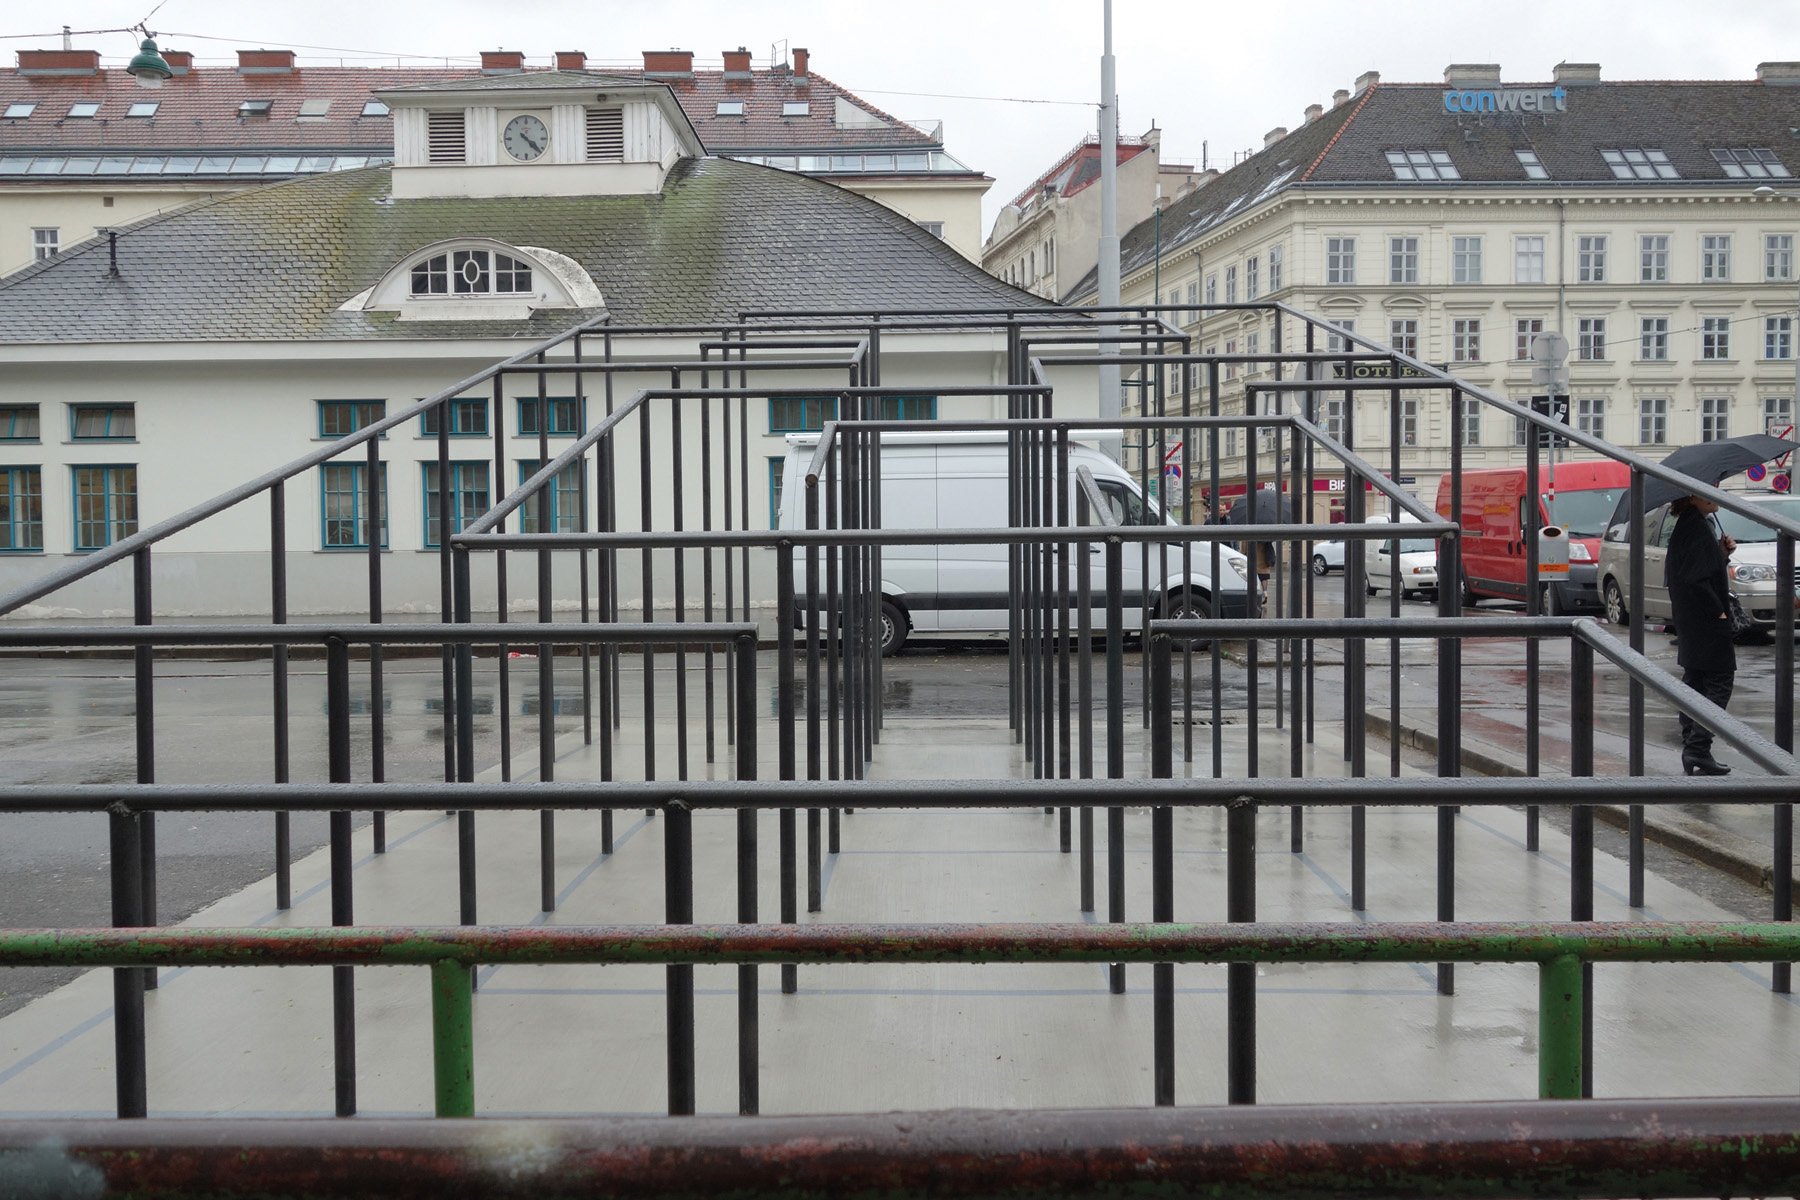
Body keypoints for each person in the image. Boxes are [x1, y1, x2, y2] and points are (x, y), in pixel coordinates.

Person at [1663, 493, 1737, 775]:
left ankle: (1691, 745)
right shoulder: (1695, 526)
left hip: (1692, 619)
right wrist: (1717, 611)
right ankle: (1697, 747)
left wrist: (1721, 553)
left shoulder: (1691, 523)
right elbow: (1696, 577)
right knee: (1719, 682)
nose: (1716, 494)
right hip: (1705, 619)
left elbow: (1696, 568)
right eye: (1709, 490)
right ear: (1693, 496)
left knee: (1695, 682)